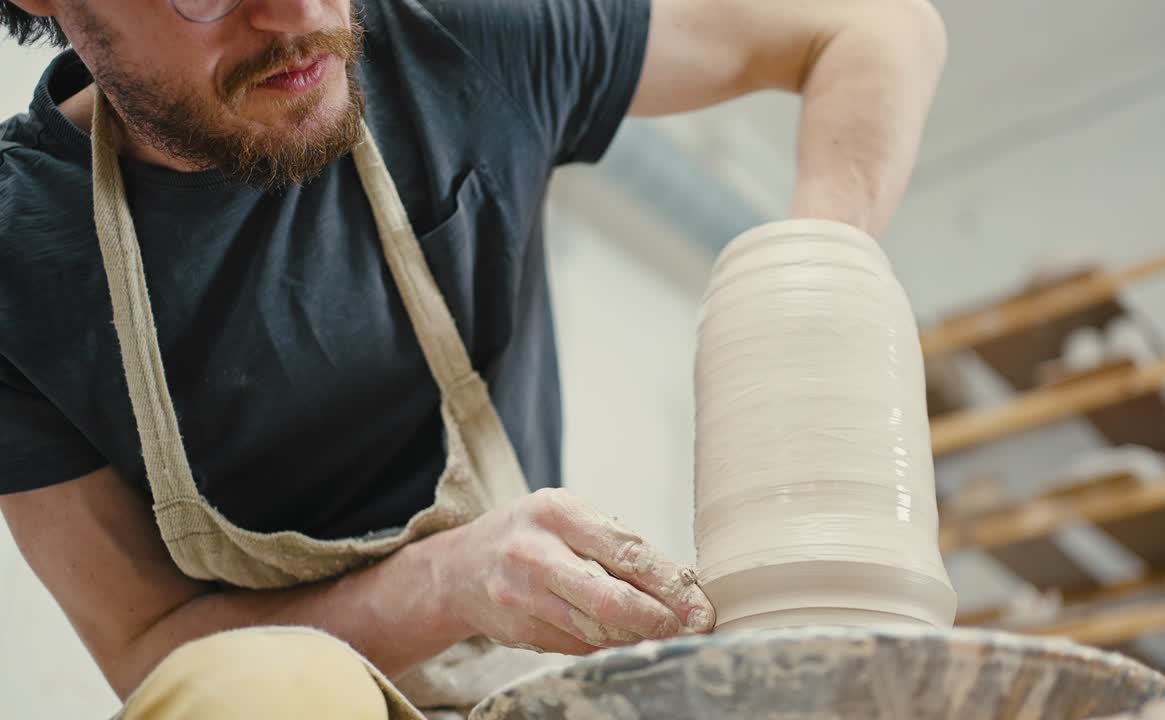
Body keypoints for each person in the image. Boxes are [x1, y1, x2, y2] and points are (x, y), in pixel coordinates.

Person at [0, 0, 947, 717]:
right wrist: (447, 584)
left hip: (541, 689)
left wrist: (810, 283)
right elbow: (149, 651)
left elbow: (874, 26)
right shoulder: (18, 258)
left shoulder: (448, 30)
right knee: (260, 690)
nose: (296, 19)